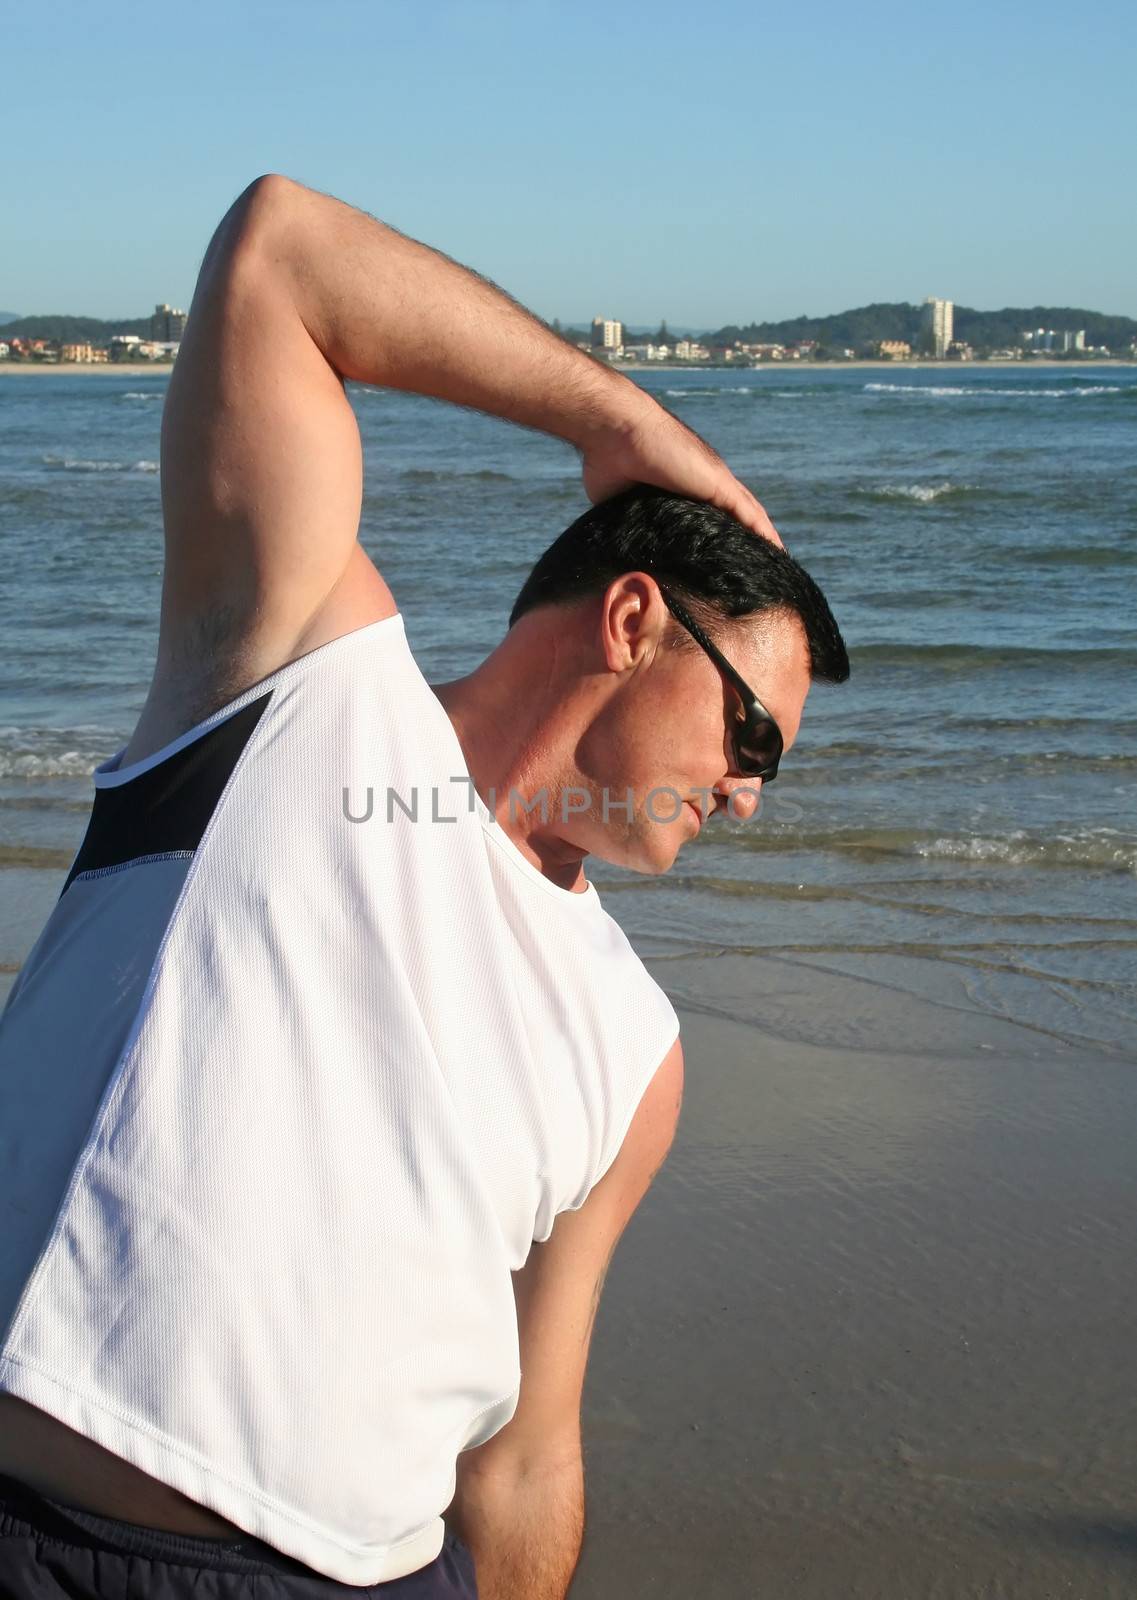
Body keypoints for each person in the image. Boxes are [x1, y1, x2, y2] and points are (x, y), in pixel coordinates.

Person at [0, 175, 848, 1598]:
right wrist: (625, 428)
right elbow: (281, 254)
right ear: (635, 618)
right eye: (747, 733)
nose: (746, 789)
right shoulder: (304, 682)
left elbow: (524, 1460)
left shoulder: (632, 1050)